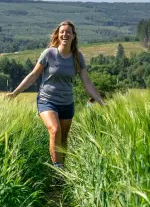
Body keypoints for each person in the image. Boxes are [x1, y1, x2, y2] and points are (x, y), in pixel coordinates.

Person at [6, 20, 105, 168]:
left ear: (73, 36)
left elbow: (87, 82)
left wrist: (101, 101)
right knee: (55, 130)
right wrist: (14, 93)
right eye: (62, 32)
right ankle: (57, 169)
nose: (65, 34)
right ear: (58, 35)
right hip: (47, 100)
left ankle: (63, 172)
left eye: (68, 32)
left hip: (67, 103)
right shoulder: (49, 54)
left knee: (63, 139)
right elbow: (33, 75)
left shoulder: (77, 57)